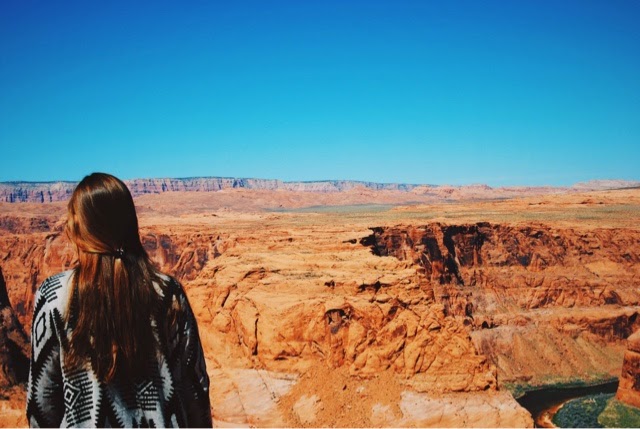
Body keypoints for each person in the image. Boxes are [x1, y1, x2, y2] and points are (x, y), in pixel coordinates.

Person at [26, 173, 212, 428]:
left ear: (79, 230)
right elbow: (195, 389)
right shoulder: (169, 294)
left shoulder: (54, 297)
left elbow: (42, 403)